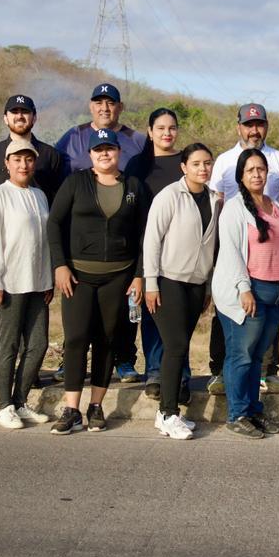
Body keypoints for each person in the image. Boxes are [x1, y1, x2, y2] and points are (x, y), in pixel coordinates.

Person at [47, 128, 148, 434]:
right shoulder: (76, 183)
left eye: (110, 148)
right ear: (90, 155)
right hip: (77, 276)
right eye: (98, 149)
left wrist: (140, 275)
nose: (105, 154)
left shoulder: (134, 186)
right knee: (76, 338)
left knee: (106, 339)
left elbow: (146, 235)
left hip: (118, 276)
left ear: (119, 152)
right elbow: (54, 223)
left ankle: (96, 406)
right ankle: (71, 408)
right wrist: (60, 266)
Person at [55, 82, 148, 382]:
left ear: (120, 107)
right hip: (80, 236)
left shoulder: (137, 140)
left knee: (121, 307)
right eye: (99, 102)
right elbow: (52, 173)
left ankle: (123, 358)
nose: (105, 107)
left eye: (111, 103)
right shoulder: (73, 136)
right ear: (90, 106)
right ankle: (73, 361)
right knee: (80, 311)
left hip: (124, 231)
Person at [0, 93, 64, 387]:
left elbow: (58, 208)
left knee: (35, 316)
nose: (20, 116)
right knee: (1, 312)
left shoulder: (49, 156)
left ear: (34, 117)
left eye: (26, 112)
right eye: (15, 112)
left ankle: (27, 373)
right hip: (3, 250)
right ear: (5, 118)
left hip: (37, 251)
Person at [208, 103, 279, 396]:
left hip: (268, 246)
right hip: (234, 239)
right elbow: (214, 201)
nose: (254, 130)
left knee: (268, 311)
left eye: (259, 124)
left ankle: (268, 371)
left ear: (266, 126)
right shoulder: (224, 161)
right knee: (227, 305)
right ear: (239, 127)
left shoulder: (277, 158)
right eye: (249, 125)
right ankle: (220, 370)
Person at [212, 148, 279, 439]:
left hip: (276, 289)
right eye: (250, 170)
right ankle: (237, 414)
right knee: (241, 354)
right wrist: (243, 289)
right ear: (241, 176)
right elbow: (231, 251)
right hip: (250, 289)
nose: (257, 174)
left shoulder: (275, 205)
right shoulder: (235, 208)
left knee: (258, 356)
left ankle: (253, 410)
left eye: (261, 169)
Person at [142, 143, 218, 440]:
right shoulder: (169, 196)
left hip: (196, 284)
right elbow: (152, 241)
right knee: (173, 346)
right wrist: (150, 283)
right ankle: (168, 412)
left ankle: (168, 412)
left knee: (181, 346)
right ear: (183, 167)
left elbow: (212, 245)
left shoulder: (214, 199)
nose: (203, 168)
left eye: (207, 163)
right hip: (168, 281)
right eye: (196, 163)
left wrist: (209, 285)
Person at [0, 142, 55, 430]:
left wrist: (48, 279)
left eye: (28, 159)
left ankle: (21, 401)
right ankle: (4, 406)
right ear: (7, 163)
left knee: (38, 344)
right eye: (17, 159)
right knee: (8, 345)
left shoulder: (39, 195)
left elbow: (45, 242)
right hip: (9, 283)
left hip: (37, 283)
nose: (23, 165)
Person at [123, 107, 188, 400]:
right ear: (149, 132)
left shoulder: (186, 162)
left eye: (172, 128)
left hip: (182, 249)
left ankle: (181, 374)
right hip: (148, 247)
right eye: (160, 128)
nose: (166, 133)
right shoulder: (138, 164)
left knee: (180, 315)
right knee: (152, 310)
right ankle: (154, 372)